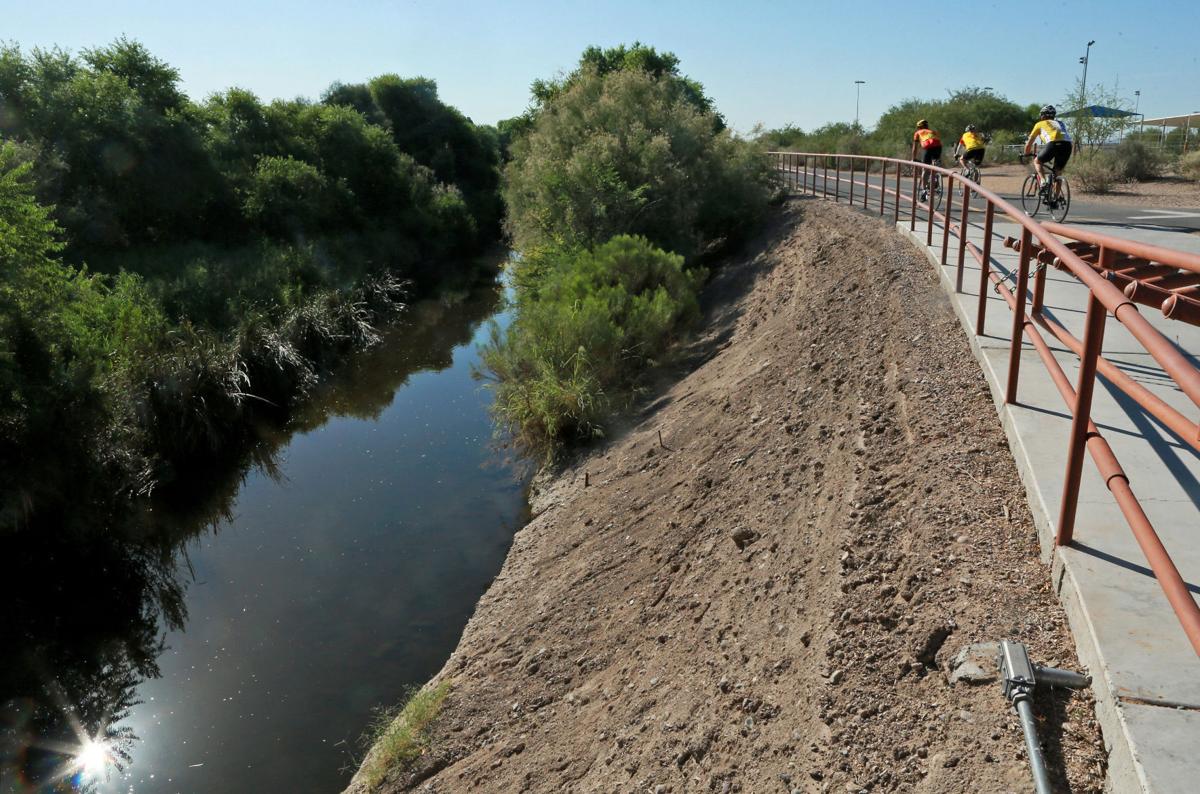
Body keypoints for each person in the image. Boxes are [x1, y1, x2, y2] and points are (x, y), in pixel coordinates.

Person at [1024, 105, 1072, 197]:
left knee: (1037, 161)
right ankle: (1055, 199)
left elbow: (1029, 142)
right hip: (1067, 145)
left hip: (1053, 144)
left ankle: (1043, 181)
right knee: (1058, 172)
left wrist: (1026, 153)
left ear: (1042, 115)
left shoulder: (1039, 124)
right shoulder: (1061, 123)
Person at [910, 119, 942, 196]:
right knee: (935, 165)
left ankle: (924, 191)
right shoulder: (933, 131)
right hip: (938, 147)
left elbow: (915, 148)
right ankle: (936, 180)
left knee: (925, 169)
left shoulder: (917, 133)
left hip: (928, 147)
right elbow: (937, 141)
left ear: (919, 127)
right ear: (927, 126)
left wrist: (913, 158)